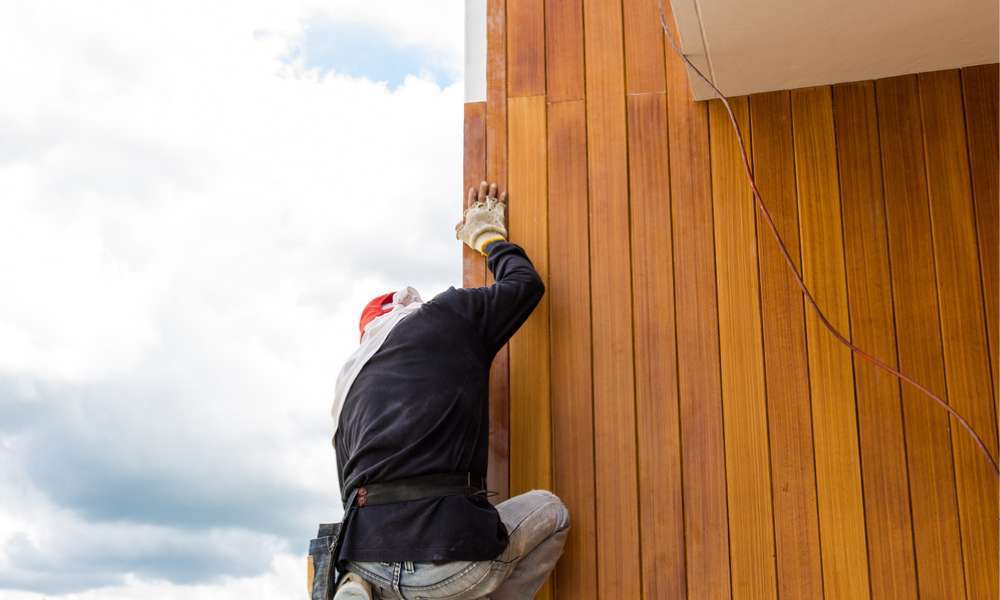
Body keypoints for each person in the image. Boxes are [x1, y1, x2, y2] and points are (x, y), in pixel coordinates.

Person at [329, 182, 569, 600]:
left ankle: (360, 585)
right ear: (409, 307)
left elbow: (349, 494)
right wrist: (488, 236)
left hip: (364, 551)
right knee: (552, 512)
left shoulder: (347, 391)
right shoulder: (448, 315)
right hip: (450, 553)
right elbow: (524, 285)